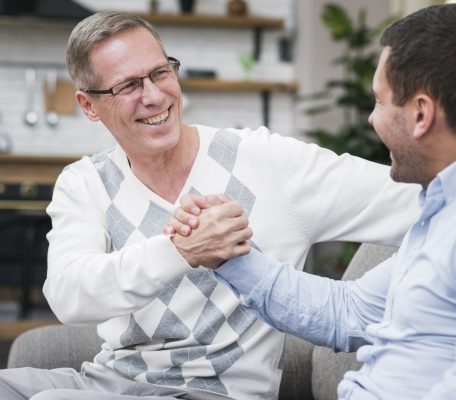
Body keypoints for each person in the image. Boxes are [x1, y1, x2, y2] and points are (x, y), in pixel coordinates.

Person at [177, 4, 456, 399]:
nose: (371, 119)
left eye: (379, 100)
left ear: (420, 115)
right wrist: (227, 255)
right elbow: (347, 310)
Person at [0, 11, 421, 400]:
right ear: (89, 105)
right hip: (109, 383)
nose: (154, 96)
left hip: (215, 393)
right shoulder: (85, 182)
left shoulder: (268, 161)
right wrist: (180, 251)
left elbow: (418, 202)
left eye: (160, 73)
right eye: (128, 85)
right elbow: (70, 297)